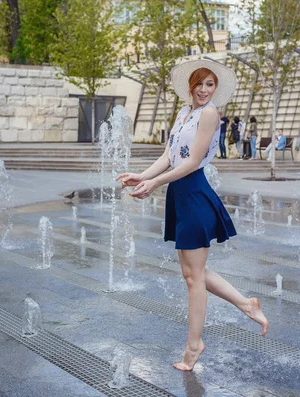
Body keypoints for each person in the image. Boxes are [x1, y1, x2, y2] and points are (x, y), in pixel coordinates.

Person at [116, 60, 269, 372]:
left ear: (215, 89)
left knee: (194, 278)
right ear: (190, 86)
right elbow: (169, 155)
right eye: (200, 84)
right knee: (192, 274)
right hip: (180, 194)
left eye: (210, 85)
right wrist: (141, 175)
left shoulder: (210, 113)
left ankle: (194, 345)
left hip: (195, 193)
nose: (204, 90)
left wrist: (155, 183)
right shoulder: (184, 113)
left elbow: (194, 161)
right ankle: (245, 304)